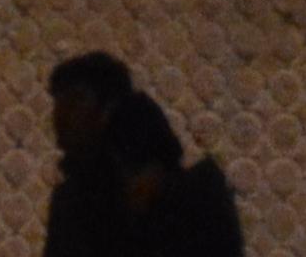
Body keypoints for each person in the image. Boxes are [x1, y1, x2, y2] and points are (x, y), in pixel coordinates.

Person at [42, 54, 243, 257]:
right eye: (59, 103)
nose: (62, 115)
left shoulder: (190, 200)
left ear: (107, 108)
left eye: (76, 101)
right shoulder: (73, 200)